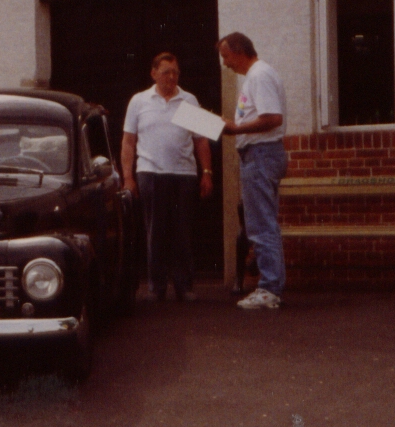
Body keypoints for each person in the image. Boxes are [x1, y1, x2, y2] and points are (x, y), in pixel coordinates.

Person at [121, 52, 214, 301]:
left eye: (175, 72)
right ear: (153, 74)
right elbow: (129, 142)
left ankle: (184, 286)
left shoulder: (189, 101)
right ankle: (156, 286)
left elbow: (202, 140)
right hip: (150, 173)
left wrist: (206, 172)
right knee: (155, 232)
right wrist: (128, 177)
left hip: (183, 174)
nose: (171, 77)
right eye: (166, 72)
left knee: (182, 232)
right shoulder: (139, 101)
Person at [219, 33, 288, 311]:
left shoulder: (259, 75)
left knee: (260, 225)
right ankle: (271, 285)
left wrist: (235, 129)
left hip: (261, 154)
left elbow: (272, 118)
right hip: (260, 155)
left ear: (238, 51)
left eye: (225, 56)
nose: (225, 64)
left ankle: (270, 288)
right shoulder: (256, 76)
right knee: (262, 223)